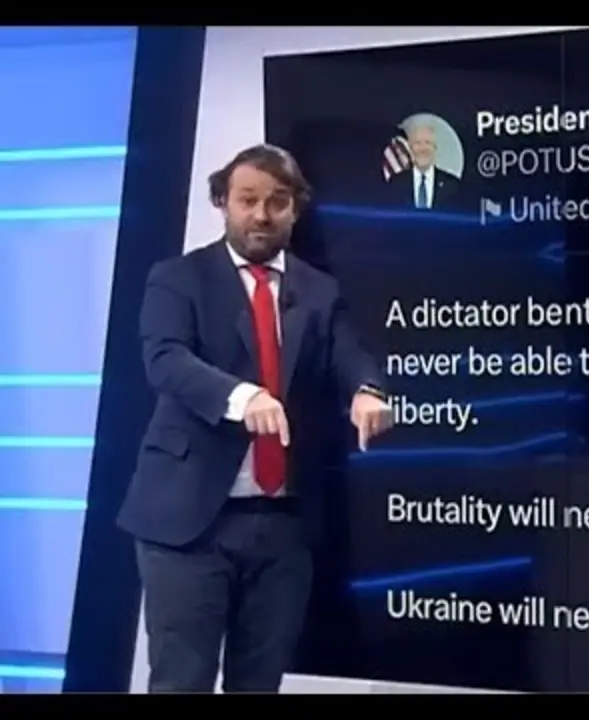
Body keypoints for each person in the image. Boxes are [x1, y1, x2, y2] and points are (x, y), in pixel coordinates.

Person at [116, 144, 394, 693]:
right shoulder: (179, 278)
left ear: (296, 208)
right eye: (248, 200)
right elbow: (166, 360)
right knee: (182, 681)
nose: (262, 215)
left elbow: (350, 354)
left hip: (283, 526)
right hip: (189, 522)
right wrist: (243, 398)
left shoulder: (320, 291)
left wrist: (366, 391)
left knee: (259, 684)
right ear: (223, 202)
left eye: (277, 201)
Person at [385, 113, 463, 211]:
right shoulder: (396, 183)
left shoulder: (452, 185)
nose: (423, 149)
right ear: (410, 148)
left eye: (428, 143)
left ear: (435, 148)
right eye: (417, 143)